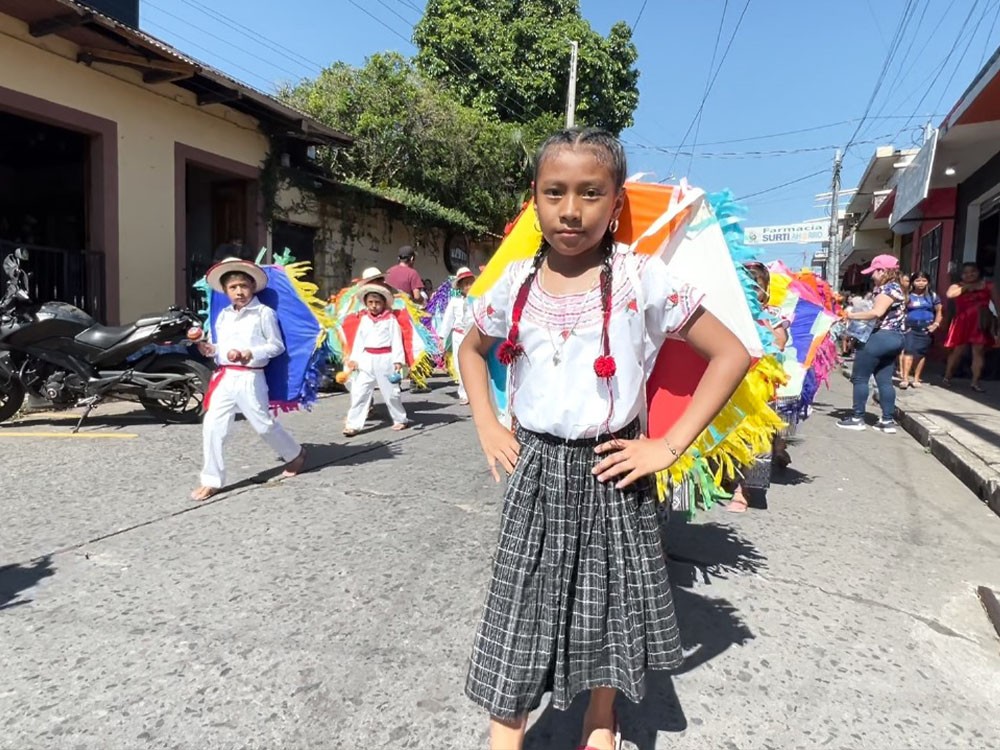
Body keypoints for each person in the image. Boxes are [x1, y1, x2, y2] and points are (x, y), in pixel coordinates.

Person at [458, 128, 751, 750]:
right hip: (535, 466)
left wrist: (667, 446)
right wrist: (486, 420)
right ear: (533, 200)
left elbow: (731, 354)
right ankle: (505, 732)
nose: (571, 210)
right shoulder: (514, 281)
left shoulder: (644, 277)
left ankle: (600, 717)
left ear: (616, 202)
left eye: (591, 193)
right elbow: (470, 348)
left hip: (613, 467)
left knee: (606, 602)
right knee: (520, 601)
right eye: (554, 192)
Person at [191, 259, 306, 502]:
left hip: (250, 378)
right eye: (233, 287)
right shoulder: (223, 316)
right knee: (212, 426)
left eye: (243, 285)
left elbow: (276, 346)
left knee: (263, 425)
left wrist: (249, 353)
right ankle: (211, 480)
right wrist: (209, 349)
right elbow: (218, 347)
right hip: (224, 377)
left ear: (253, 287)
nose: (239, 291)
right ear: (225, 291)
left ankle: (295, 453)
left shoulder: (264, 313)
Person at [728, 261, 790, 513]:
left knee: (756, 440)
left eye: (758, 285)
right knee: (730, 435)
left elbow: (780, 343)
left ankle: (744, 491)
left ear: (766, 289)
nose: (752, 290)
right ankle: (727, 476)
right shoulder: (729, 311)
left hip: (759, 387)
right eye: (747, 285)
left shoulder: (773, 315)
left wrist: (760, 325)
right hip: (730, 382)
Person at [837, 254, 906, 433]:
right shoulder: (894, 288)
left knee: (860, 378)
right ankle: (887, 420)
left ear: (883, 271)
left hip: (880, 338)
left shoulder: (887, 290)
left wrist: (849, 315)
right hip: (895, 338)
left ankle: (857, 417)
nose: (872, 276)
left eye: (874, 272)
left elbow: (876, 312)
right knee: (884, 380)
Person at [342, 283, 408, 435]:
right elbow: (359, 341)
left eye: (377, 302)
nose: (374, 306)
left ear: (384, 303)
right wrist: (354, 360)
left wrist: (398, 361)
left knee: (391, 393)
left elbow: (396, 340)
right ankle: (353, 424)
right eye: (370, 302)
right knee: (360, 392)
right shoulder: (364, 319)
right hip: (367, 359)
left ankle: (400, 419)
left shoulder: (390, 319)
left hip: (385, 359)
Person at [943, 262, 1000, 391]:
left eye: (972, 271)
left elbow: (997, 305)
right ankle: (947, 376)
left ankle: (975, 381)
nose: (969, 274)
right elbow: (950, 295)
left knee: (978, 351)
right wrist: (968, 287)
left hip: (980, 321)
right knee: (957, 351)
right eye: (966, 272)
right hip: (962, 321)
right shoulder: (956, 286)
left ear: (979, 272)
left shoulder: (989, 286)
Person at [437, 266, 476, 405]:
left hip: (473, 334)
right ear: (459, 286)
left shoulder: (478, 298)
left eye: (470, 282)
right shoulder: (455, 301)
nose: (468, 286)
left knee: (476, 363)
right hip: (459, 335)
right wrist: (442, 337)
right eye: (465, 284)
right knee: (460, 365)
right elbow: (447, 320)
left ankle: (477, 391)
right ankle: (464, 392)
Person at [900, 271, 942, 389]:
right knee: (908, 351)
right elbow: (902, 311)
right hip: (910, 327)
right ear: (913, 282)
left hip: (926, 328)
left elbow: (939, 311)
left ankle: (917, 378)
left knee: (921, 353)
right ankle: (905, 379)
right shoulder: (907, 295)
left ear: (928, 282)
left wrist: (936, 324)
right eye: (918, 280)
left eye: (924, 280)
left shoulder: (932, 296)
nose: (921, 283)